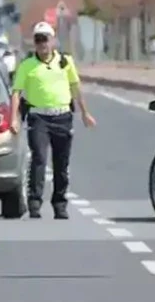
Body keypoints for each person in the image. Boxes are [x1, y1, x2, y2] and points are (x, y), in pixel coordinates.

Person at [10, 21, 97, 219]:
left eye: (45, 39)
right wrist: (14, 118)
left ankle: (59, 203)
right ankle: (34, 202)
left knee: (61, 162)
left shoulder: (65, 62)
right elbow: (16, 92)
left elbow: (75, 87)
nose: (42, 44)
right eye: (38, 40)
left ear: (53, 41)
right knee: (39, 158)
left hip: (62, 117)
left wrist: (85, 113)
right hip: (38, 117)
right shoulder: (27, 65)